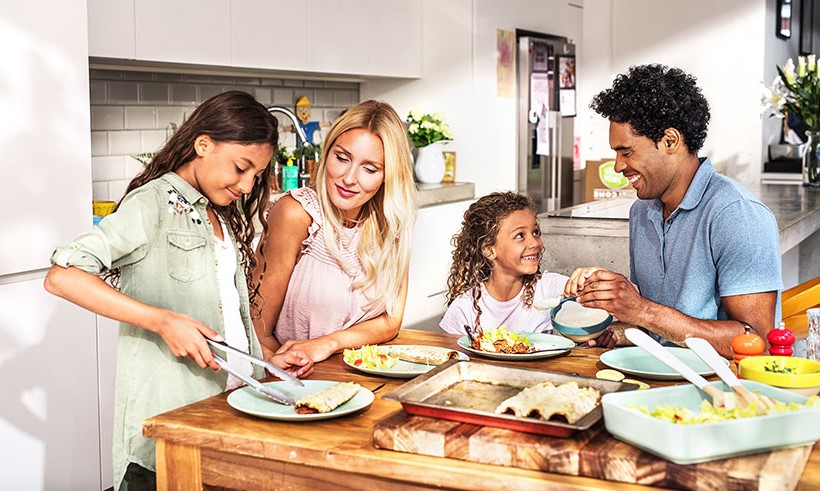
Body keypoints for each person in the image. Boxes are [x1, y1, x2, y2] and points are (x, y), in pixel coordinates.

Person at [43, 90, 314, 491]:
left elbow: (223, 307)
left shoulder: (216, 211)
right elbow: (62, 277)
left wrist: (266, 361)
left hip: (230, 408)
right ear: (203, 144)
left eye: (255, 174)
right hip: (172, 420)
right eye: (241, 168)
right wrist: (163, 321)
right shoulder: (152, 203)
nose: (247, 184)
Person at [567, 64, 782, 358]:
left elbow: (757, 341)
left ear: (670, 141)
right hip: (659, 376)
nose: (617, 166)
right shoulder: (642, 213)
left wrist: (643, 311)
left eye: (626, 152)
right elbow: (668, 323)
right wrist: (623, 327)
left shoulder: (736, 214)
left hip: (723, 392)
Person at [253, 100, 418, 363]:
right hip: (296, 377)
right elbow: (257, 330)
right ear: (326, 153)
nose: (349, 178)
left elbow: (390, 321)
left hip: (361, 370)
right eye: (341, 158)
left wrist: (326, 344)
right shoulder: (296, 213)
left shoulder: (391, 223)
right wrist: (292, 367)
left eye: (370, 168)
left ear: (388, 176)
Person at [439, 192, 598, 336]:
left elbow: (596, 293)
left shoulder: (547, 288)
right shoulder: (464, 308)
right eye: (520, 235)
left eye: (535, 232)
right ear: (489, 250)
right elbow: (452, 359)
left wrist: (591, 278)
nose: (534, 243)